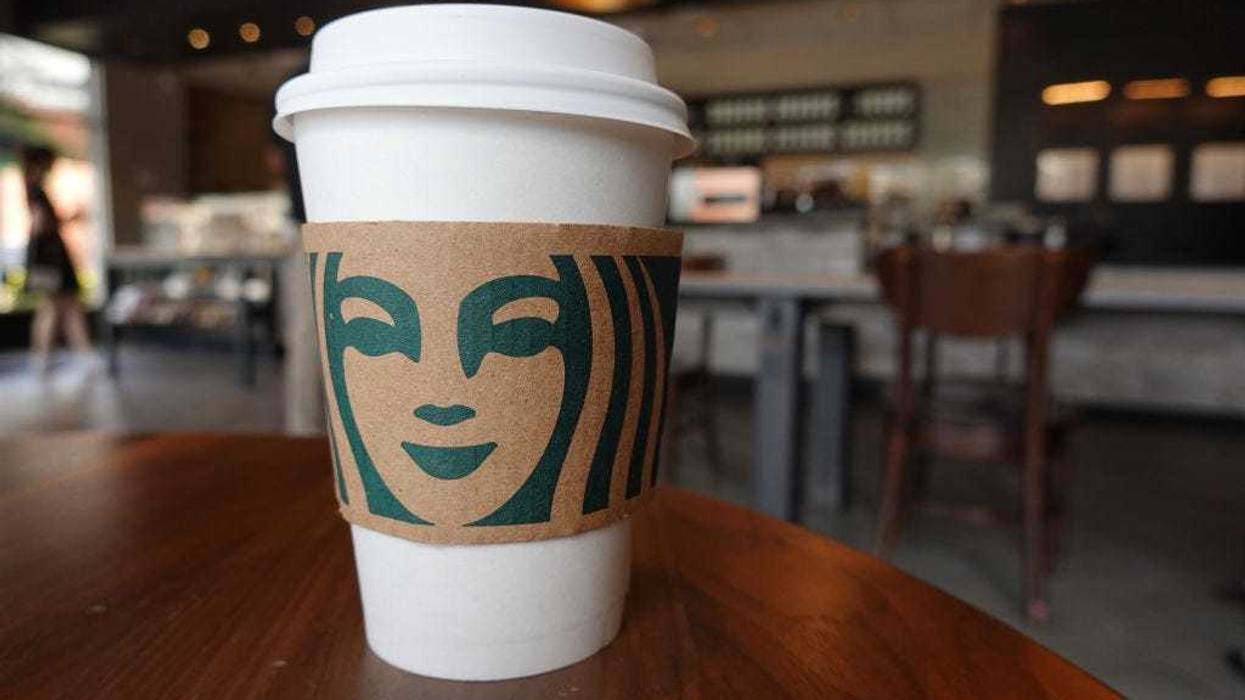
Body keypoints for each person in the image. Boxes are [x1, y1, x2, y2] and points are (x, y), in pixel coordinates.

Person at [20, 145, 92, 371]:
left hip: (48, 255)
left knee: (63, 305)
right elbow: (42, 225)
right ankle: (45, 357)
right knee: (56, 305)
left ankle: (75, 353)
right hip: (50, 256)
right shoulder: (35, 189)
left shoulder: (33, 187)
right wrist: (70, 217)